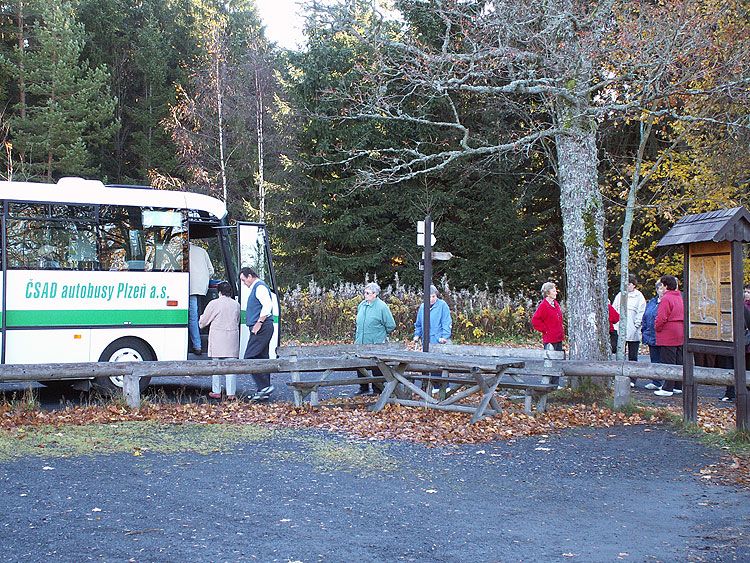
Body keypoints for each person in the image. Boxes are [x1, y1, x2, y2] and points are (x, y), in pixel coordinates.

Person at [199, 282, 240, 400]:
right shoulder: (236, 304)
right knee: (231, 367)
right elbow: (237, 320)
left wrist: (200, 321)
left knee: (216, 366)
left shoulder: (214, 303)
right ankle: (231, 393)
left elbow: (204, 321)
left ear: (219, 292)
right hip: (232, 337)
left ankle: (216, 391)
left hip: (218, 338)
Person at [354, 282, 396, 395]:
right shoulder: (362, 305)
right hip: (360, 342)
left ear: (375, 294)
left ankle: (377, 390)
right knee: (360, 365)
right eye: (364, 292)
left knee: (376, 366)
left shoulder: (382, 307)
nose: (365, 295)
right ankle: (363, 388)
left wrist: (380, 335)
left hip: (376, 343)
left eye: (367, 293)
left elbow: (391, 325)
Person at [240, 267, 275, 400]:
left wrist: (259, 323)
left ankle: (265, 386)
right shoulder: (259, 287)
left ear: (250, 276)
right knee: (262, 357)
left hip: (261, 327)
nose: (244, 283)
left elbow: (267, 305)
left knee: (249, 357)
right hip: (262, 327)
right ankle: (263, 390)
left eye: (244, 280)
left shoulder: (259, 287)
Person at [413, 285, 453, 394]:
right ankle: (427, 385)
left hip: (438, 339)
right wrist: (417, 335)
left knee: (438, 364)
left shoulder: (442, 306)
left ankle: (442, 386)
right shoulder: (422, 307)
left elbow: (446, 322)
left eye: (433, 296)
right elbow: (419, 323)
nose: (431, 299)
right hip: (426, 340)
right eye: (429, 297)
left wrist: (445, 336)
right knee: (425, 363)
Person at [612, 274, 647, 387]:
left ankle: (632, 378)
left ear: (633, 285)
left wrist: (637, 324)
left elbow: (641, 312)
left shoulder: (639, 296)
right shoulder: (620, 295)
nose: (627, 286)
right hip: (620, 329)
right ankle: (618, 376)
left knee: (633, 356)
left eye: (629, 284)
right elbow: (614, 309)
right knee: (619, 354)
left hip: (633, 330)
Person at [654, 275, 684, 397]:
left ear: (666, 286)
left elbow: (661, 317)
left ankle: (667, 388)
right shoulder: (679, 297)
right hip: (679, 330)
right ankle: (677, 385)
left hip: (668, 332)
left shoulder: (666, 299)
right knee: (678, 359)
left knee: (668, 360)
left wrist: (657, 327)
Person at [531, 281, 564, 386]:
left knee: (557, 362)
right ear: (548, 293)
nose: (556, 292)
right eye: (554, 291)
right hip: (550, 339)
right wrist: (546, 330)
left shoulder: (556, 304)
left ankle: (556, 384)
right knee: (550, 362)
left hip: (558, 337)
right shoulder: (543, 306)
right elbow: (535, 320)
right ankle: (547, 383)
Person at [722, 284, 750, 402]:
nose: (746, 294)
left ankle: (733, 393)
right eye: (745, 291)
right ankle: (730, 392)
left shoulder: (742, 308)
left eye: (748, 292)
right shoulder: (742, 306)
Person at [189, 242, 214, 355]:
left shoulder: (183, 251)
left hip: (189, 288)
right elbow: (211, 271)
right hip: (202, 288)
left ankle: (197, 345)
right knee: (199, 314)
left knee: (193, 317)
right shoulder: (202, 251)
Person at [642, 280, 666, 390]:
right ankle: (656, 381)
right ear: (656, 290)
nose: (662, 291)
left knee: (664, 360)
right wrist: (644, 330)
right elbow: (646, 316)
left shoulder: (667, 302)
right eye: (660, 288)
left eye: (664, 288)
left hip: (663, 335)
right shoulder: (652, 302)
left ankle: (665, 383)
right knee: (654, 359)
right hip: (651, 334)